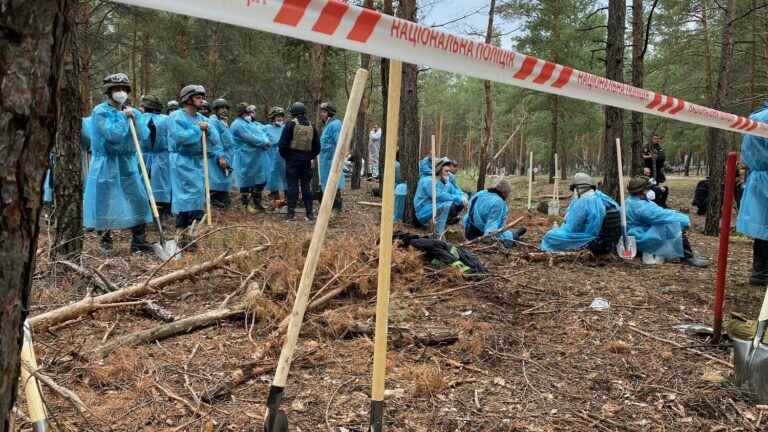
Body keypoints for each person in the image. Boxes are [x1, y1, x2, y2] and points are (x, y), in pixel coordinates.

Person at [83, 73, 153, 256]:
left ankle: (139, 241)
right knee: (104, 200)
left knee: (137, 197)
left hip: (127, 162)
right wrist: (123, 118)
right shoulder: (100, 111)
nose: (121, 93)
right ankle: (105, 239)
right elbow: (113, 136)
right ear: (108, 92)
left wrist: (135, 119)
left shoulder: (133, 111)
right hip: (106, 163)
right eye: (116, 89)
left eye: (123, 89)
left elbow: (143, 135)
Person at [167, 84, 221, 247]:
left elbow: (216, 139)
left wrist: (209, 131)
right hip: (182, 161)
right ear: (188, 99)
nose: (202, 100)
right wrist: (197, 130)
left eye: (202, 97)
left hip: (198, 162)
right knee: (185, 196)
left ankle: (190, 232)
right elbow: (180, 137)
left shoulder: (203, 119)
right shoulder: (176, 116)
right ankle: (182, 231)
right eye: (198, 97)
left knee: (198, 195)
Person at [625, 176, 708, 267]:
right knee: (671, 224)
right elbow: (662, 215)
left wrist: (674, 213)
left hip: (637, 235)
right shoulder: (641, 207)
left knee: (669, 222)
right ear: (642, 191)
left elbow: (660, 212)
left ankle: (683, 254)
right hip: (640, 237)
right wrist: (684, 220)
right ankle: (688, 257)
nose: (650, 190)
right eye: (648, 188)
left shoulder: (631, 201)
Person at [737, 101, 768, 285]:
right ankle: (761, 272)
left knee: (763, 227)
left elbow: (748, 154)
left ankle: (761, 271)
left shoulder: (757, 117)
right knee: (764, 227)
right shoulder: (762, 118)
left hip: (759, 175)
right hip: (763, 175)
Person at [541, 173, 611, 252]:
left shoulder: (583, 201)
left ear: (578, 188)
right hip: (597, 236)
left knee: (550, 236)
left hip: (584, 238)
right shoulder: (598, 198)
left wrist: (561, 229)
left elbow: (574, 227)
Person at [278, 102, 321, 221]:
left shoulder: (290, 124)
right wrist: (309, 156)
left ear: (293, 113)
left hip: (292, 161)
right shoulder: (312, 125)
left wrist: (288, 157)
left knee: (292, 186)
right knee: (306, 186)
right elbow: (317, 147)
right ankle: (309, 213)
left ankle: (291, 214)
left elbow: (282, 145)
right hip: (306, 161)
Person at [231, 103, 271, 213]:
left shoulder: (249, 123)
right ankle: (245, 205)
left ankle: (257, 203)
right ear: (242, 113)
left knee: (260, 180)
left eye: (250, 112)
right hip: (244, 157)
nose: (249, 114)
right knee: (245, 181)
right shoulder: (237, 125)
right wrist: (264, 142)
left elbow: (260, 132)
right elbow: (250, 138)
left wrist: (265, 140)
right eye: (247, 112)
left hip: (254, 157)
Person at [464, 179, 526, 248]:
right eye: (508, 193)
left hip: (468, 230)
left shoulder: (480, 193)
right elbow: (491, 230)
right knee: (509, 237)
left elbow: (469, 210)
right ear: (504, 192)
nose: (508, 196)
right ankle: (515, 234)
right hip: (479, 235)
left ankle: (513, 232)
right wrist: (489, 242)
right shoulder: (498, 203)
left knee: (507, 232)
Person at [137, 94, 171, 216]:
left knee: (144, 182)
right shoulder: (166, 119)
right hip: (162, 156)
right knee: (163, 182)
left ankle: (146, 210)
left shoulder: (139, 118)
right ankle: (163, 211)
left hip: (145, 156)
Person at [414, 158, 465, 235]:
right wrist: (458, 198)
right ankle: (438, 233)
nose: (449, 174)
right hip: (423, 212)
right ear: (439, 170)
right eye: (446, 171)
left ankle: (444, 223)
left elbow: (456, 191)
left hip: (436, 207)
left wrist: (462, 197)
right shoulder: (427, 181)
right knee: (449, 204)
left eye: (449, 171)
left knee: (458, 204)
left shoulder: (445, 182)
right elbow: (439, 196)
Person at [207, 98, 234, 208]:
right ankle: (215, 205)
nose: (224, 110)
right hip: (217, 157)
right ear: (216, 110)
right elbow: (215, 141)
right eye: (221, 108)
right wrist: (220, 157)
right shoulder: (213, 122)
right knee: (216, 181)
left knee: (224, 180)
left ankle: (222, 203)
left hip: (227, 156)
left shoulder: (224, 122)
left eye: (225, 108)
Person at [319, 102, 344, 213]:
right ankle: (329, 207)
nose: (321, 114)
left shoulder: (335, 124)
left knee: (335, 183)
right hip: (325, 160)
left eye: (324, 112)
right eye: (322, 112)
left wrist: (336, 158)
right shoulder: (327, 125)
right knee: (327, 183)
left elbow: (339, 142)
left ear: (329, 113)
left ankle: (336, 207)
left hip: (332, 159)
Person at [265, 106, 287, 212]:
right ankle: (275, 202)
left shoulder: (286, 128)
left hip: (285, 158)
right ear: (272, 118)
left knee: (286, 179)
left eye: (281, 116)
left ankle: (287, 202)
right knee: (273, 180)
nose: (280, 119)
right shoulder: (266, 128)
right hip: (272, 158)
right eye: (277, 116)